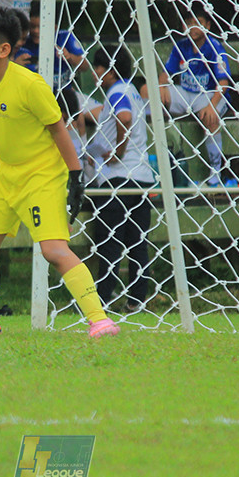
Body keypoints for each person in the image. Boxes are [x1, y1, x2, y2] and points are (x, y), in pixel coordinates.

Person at [0, 7, 119, 339]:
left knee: (53, 251)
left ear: (3, 49)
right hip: (5, 176)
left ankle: (100, 321)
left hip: (42, 175)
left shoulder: (30, 84)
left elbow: (58, 130)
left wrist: (75, 176)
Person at [87, 45, 155, 313]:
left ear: (110, 70)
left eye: (98, 67)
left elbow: (123, 118)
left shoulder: (116, 92)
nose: (95, 72)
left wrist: (118, 150)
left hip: (118, 179)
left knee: (110, 242)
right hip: (140, 178)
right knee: (137, 242)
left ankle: (101, 299)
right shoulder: (133, 92)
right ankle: (136, 299)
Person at [157, 1, 232, 187]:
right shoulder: (180, 46)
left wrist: (211, 105)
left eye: (198, 22)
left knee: (210, 117)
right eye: (189, 22)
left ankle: (216, 169)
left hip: (209, 96)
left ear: (207, 25)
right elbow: (165, 74)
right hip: (186, 94)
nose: (193, 27)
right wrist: (161, 87)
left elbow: (224, 83)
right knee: (150, 98)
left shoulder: (215, 48)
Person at [18, 1, 89, 137]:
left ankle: (82, 150)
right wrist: (15, 63)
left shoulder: (64, 37)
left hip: (66, 94)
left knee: (86, 113)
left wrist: (69, 57)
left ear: (54, 27)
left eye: (41, 27)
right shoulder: (23, 43)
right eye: (32, 27)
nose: (36, 31)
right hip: (36, 98)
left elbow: (85, 66)